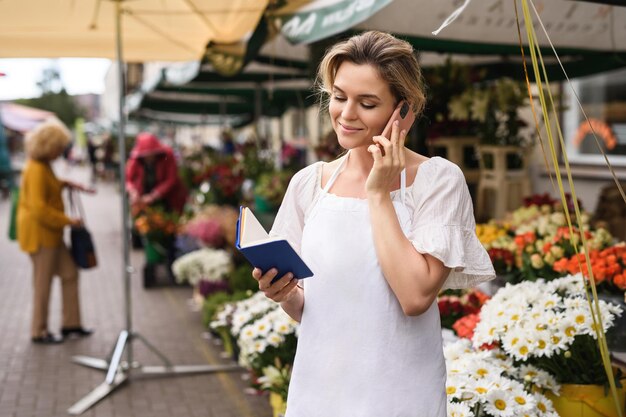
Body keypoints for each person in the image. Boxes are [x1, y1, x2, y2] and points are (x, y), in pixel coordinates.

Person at [252, 31, 495, 416]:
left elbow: (415, 298)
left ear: (404, 111)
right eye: (339, 96)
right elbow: (314, 308)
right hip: (318, 389)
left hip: (398, 393)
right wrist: (284, 294)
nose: (346, 114)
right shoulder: (309, 184)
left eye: (367, 103)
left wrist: (379, 194)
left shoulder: (438, 181)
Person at [17, 120, 95, 344]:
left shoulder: (42, 166)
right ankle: (38, 331)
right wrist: (68, 220)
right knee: (43, 283)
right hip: (42, 236)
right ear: (49, 145)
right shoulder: (35, 168)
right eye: (59, 147)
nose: (61, 152)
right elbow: (39, 209)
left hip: (52, 235)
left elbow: (50, 185)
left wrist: (67, 184)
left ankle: (72, 324)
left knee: (70, 274)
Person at [125, 132, 187, 215]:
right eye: (145, 155)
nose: (148, 157)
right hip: (143, 196)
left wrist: (154, 195)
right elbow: (128, 179)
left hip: (167, 197)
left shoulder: (167, 154)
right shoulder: (136, 158)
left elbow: (171, 178)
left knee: (166, 219)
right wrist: (133, 191)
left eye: (151, 154)